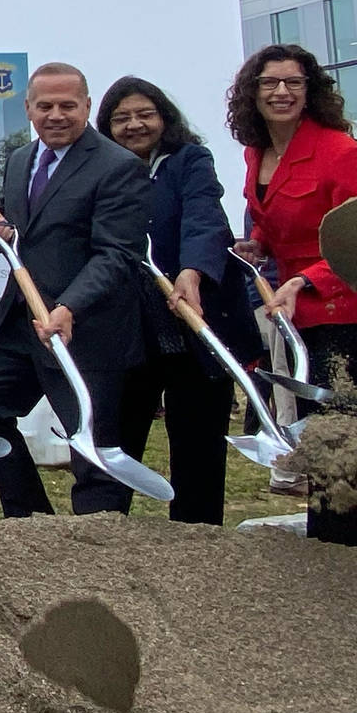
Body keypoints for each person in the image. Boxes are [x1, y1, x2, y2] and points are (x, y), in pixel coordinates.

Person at [0, 63, 153, 517]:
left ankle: (97, 545)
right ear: (28, 108)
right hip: (22, 322)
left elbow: (116, 255)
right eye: (45, 106)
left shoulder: (118, 168)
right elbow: (30, 226)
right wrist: (4, 230)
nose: (56, 115)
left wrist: (70, 306)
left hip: (86, 331)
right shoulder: (24, 159)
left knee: (92, 447)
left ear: (87, 106)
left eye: (68, 105)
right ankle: (29, 519)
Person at [227, 43, 357, 550]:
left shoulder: (343, 152)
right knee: (312, 441)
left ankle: (348, 553)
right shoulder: (257, 154)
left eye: (293, 83)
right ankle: (329, 552)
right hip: (292, 311)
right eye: (270, 83)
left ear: (310, 90)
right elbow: (276, 225)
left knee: (337, 443)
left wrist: (304, 280)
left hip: (346, 309)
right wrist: (257, 245)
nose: (281, 92)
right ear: (251, 94)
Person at [97, 75, 260, 525]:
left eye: (144, 114)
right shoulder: (100, 170)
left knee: (198, 438)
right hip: (129, 327)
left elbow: (204, 217)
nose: (134, 125)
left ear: (164, 118)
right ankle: (107, 528)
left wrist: (192, 271)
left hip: (193, 319)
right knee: (118, 434)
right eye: (121, 118)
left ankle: (199, 537)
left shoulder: (190, 161)